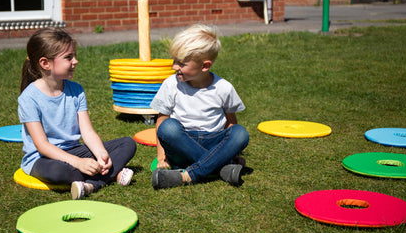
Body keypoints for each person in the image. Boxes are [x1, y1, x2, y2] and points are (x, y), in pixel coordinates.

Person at [18, 27, 137, 199]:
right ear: (45, 63)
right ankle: (112, 174)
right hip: (42, 159)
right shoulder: (28, 98)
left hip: (74, 150)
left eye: (74, 55)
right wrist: (78, 163)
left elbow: (87, 132)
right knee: (59, 172)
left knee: (127, 144)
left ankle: (91, 185)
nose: (75, 61)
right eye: (68, 57)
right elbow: (42, 145)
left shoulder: (76, 90)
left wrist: (100, 154)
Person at [150, 24, 249, 189]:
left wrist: (234, 151)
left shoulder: (224, 88)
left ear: (205, 66)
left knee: (240, 134)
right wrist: (161, 158)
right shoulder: (170, 84)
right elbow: (161, 122)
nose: (174, 67)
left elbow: (231, 122)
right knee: (168, 128)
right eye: (175, 61)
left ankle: (187, 175)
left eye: (181, 64)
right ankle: (221, 168)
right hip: (181, 148)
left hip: (213, 143)